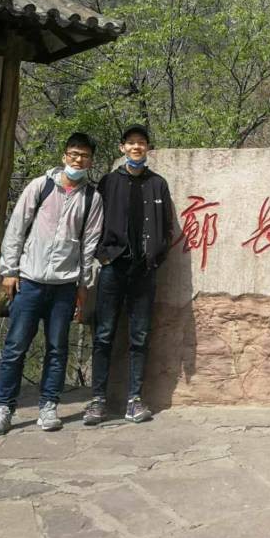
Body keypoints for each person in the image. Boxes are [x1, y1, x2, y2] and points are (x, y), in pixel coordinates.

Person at [0, 133, 102, 436]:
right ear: (64, 155)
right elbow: (16, 227)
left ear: (91, 161)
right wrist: (10, 270)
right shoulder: (40, 186)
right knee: (15, 347)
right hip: (30, 280)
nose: (78, 160)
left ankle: (49, 406)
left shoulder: (92, 198)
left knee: (57, 349)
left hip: (65, 284)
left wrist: (83, 284)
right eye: (74, 154)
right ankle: (3, 409)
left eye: (84, 156)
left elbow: (89, 244)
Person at [83, 124, 173, 425]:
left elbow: (168, 227)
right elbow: (94, 221)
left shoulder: (157, 184)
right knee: (104, 333)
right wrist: (103, 256)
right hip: (113, 267)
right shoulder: (109, 182)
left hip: (144, 270)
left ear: (147, 148)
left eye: (141, 142)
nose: (136, 147)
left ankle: (134, 399)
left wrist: (156, 256)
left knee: (140, 335)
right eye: (131, 142)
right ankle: (97, 400)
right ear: (122, 148)